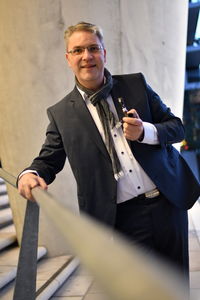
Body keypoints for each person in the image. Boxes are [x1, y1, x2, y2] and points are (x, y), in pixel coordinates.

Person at [18, 22, 200, 280]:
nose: (87, 56)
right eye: (78, 50)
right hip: (122, 219)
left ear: (104, 53)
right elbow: (48, 159)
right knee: (140, 290)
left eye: (93, 48)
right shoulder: (61, 114)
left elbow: (177, 128)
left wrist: (146, 132)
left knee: (177, 284)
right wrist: (29, 173)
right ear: (68, 58)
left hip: (167, 205)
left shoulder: (135, 85)